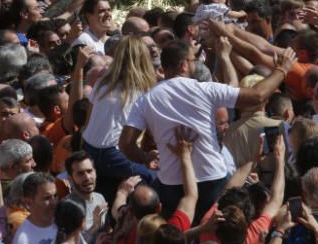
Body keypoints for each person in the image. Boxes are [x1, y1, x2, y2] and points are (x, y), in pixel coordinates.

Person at [120, 38, 296, 220]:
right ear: (183, 65)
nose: (195, 63)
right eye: (192, 60)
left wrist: (145, 157)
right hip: (211, 179)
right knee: (214, 234)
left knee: (180, 237)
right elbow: (257, 96)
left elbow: (125, 144)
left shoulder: (146, 100)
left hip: (171, 183)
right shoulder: (205, 90)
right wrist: (282, 70)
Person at [82, 36, 157, 186]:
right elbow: (151, 134)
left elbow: (87, 123)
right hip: (112, 154)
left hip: (88, 150)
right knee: (155, 180)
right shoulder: (143, 92)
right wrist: (146, 156)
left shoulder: (102, 84)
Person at [11, 173, 58, 244]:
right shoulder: (22, 243)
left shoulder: (64, 222)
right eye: (47, 198)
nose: (54, 202)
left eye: (55, 196)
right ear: (28, 202)